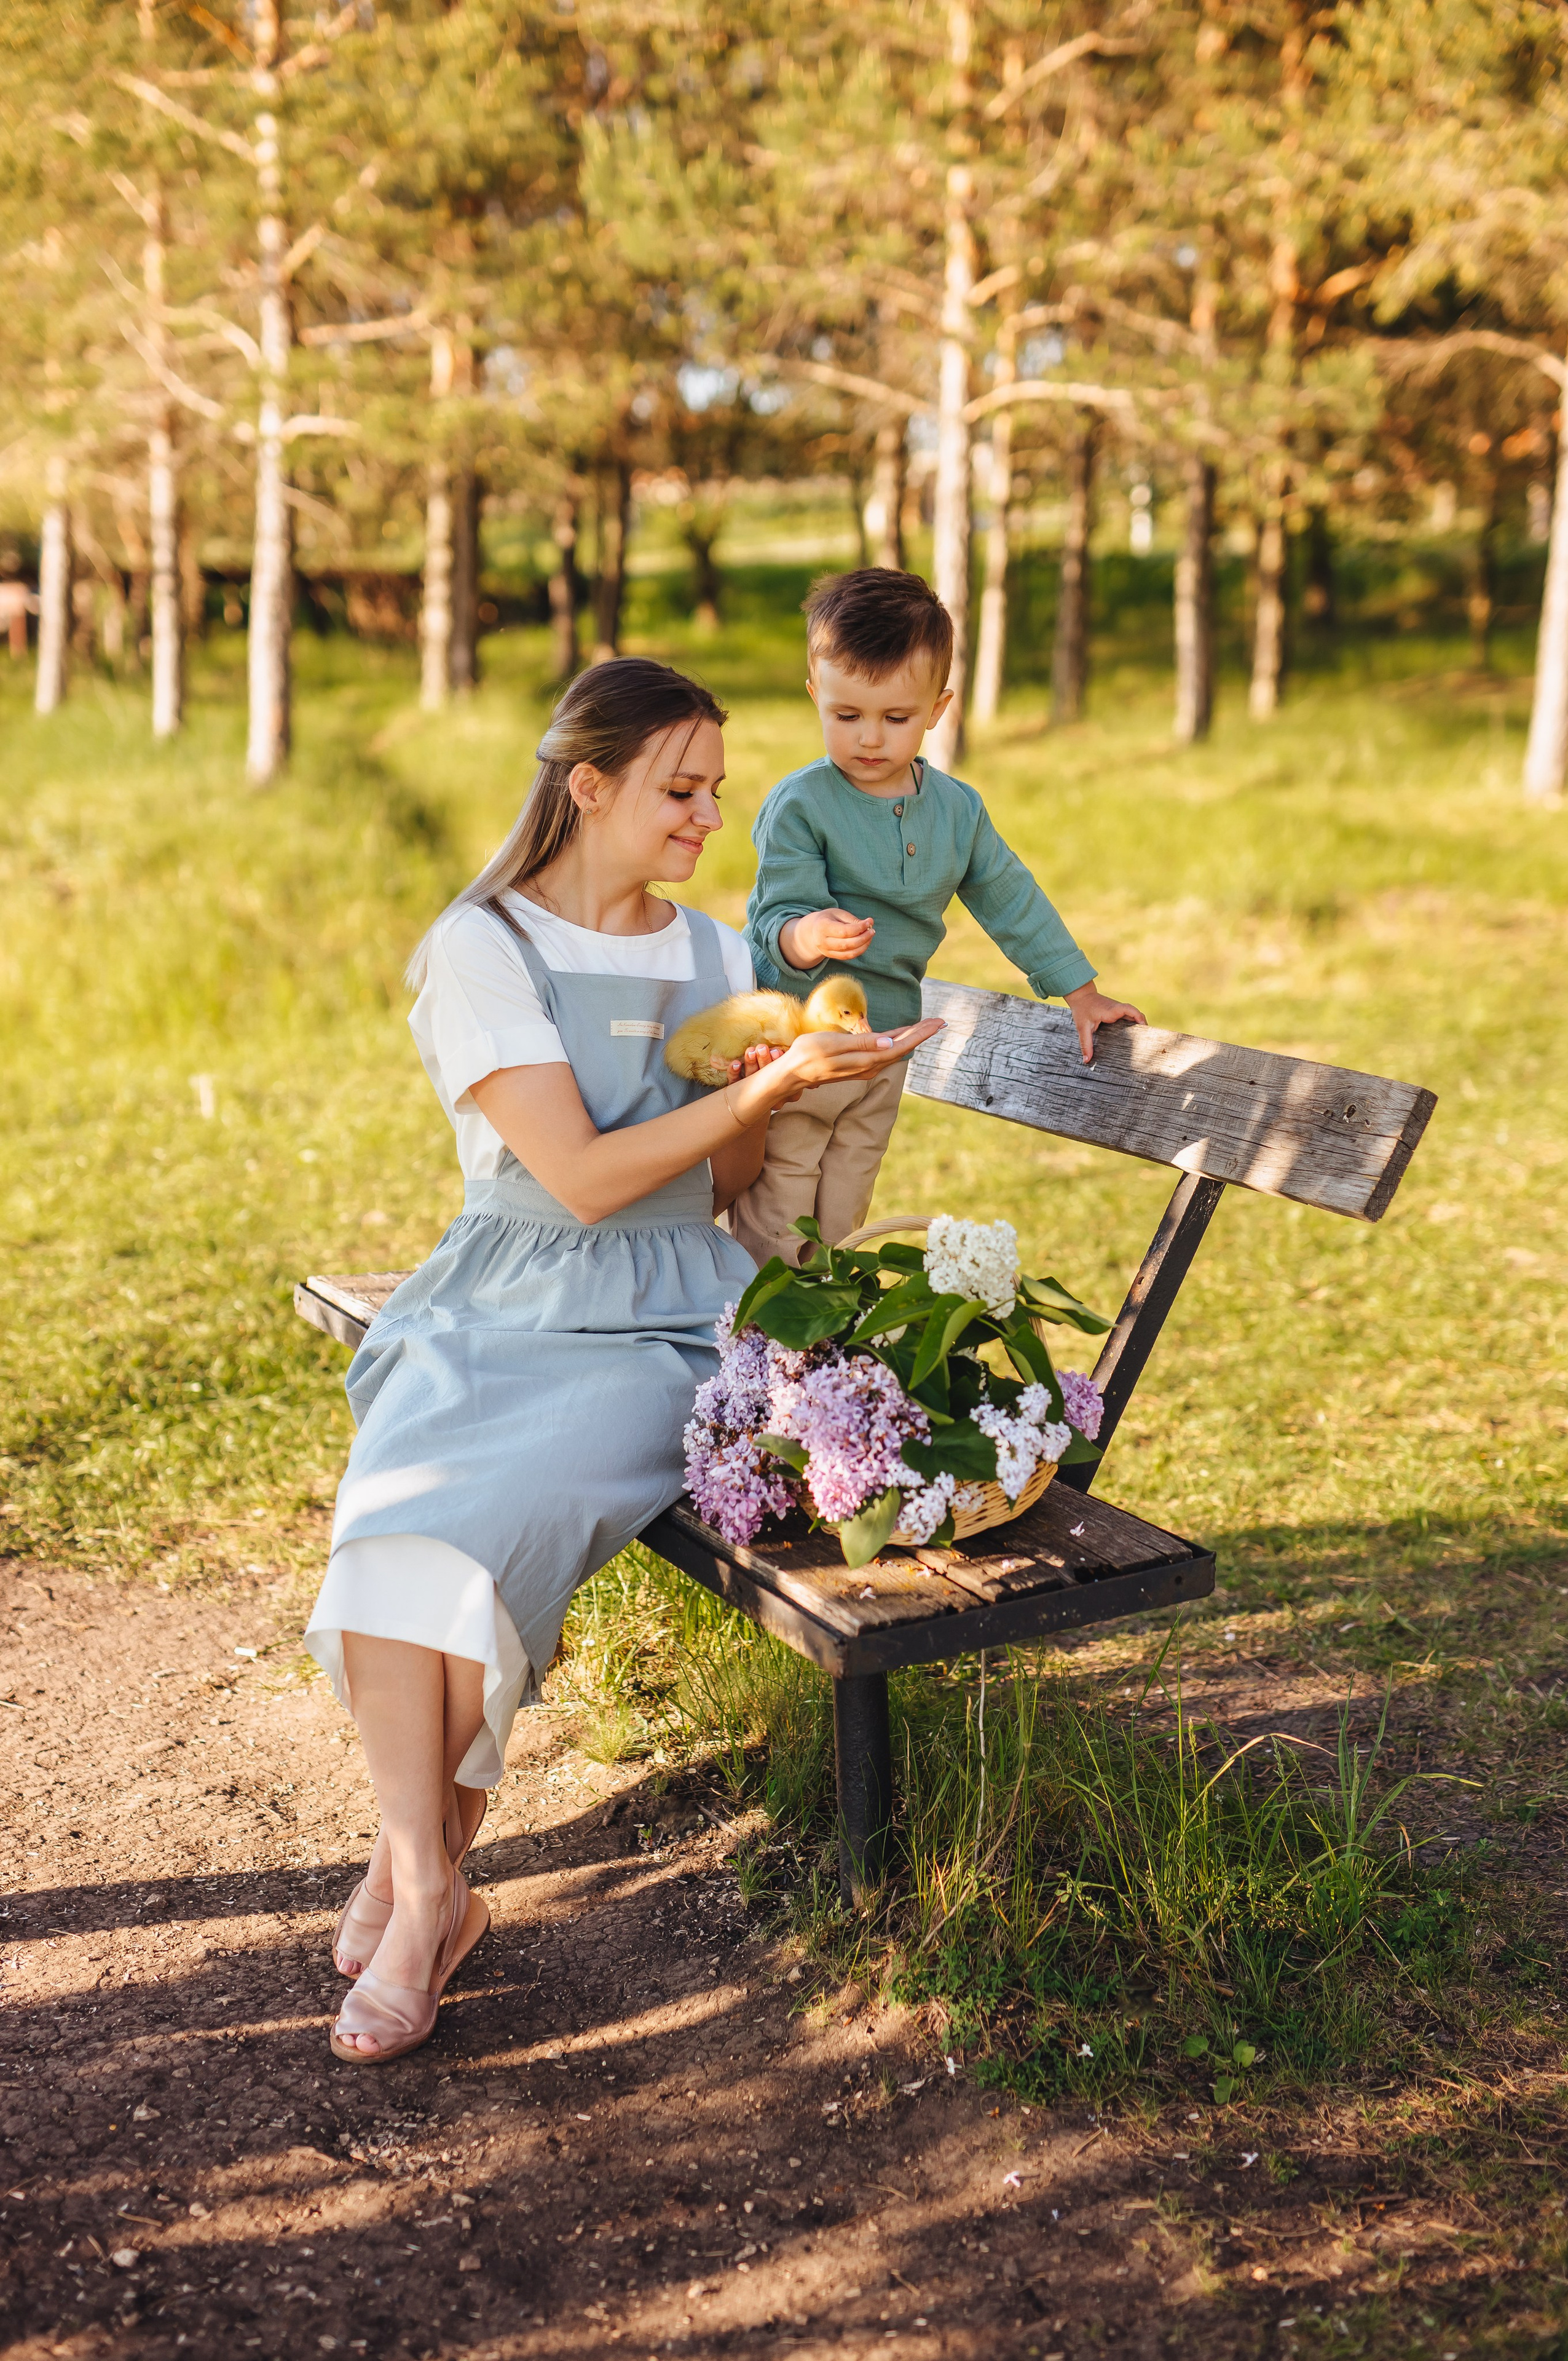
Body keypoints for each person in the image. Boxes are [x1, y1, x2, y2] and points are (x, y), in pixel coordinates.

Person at [305, 657, 940, 2063]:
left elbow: (705, 1196)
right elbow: (580, 1178)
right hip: (503, 1296)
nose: (711, 815)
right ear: (588, 786)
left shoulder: (718, 956)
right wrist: (766, 1084)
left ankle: (414, 1896)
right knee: (385, 1539)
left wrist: (761, 1096)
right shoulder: (484, 945)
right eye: (680, 788)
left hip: (664, 1318)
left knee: (473, 1537)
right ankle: (428, 1884)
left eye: (716, 787)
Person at [731, 568, 1146, 1268]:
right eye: (845, 715)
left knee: (844, 1213)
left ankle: (822, 1342)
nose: (869, 738)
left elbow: (1010, 897)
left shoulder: (957, 811)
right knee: (780, 1207)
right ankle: (759, 1350)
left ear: (937, 707)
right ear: (815, 697)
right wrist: (807, 934)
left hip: (887, 1048)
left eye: (895, 718)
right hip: (802, 1048)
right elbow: (776, 912)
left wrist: (1081, 991)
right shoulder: (801, 804)